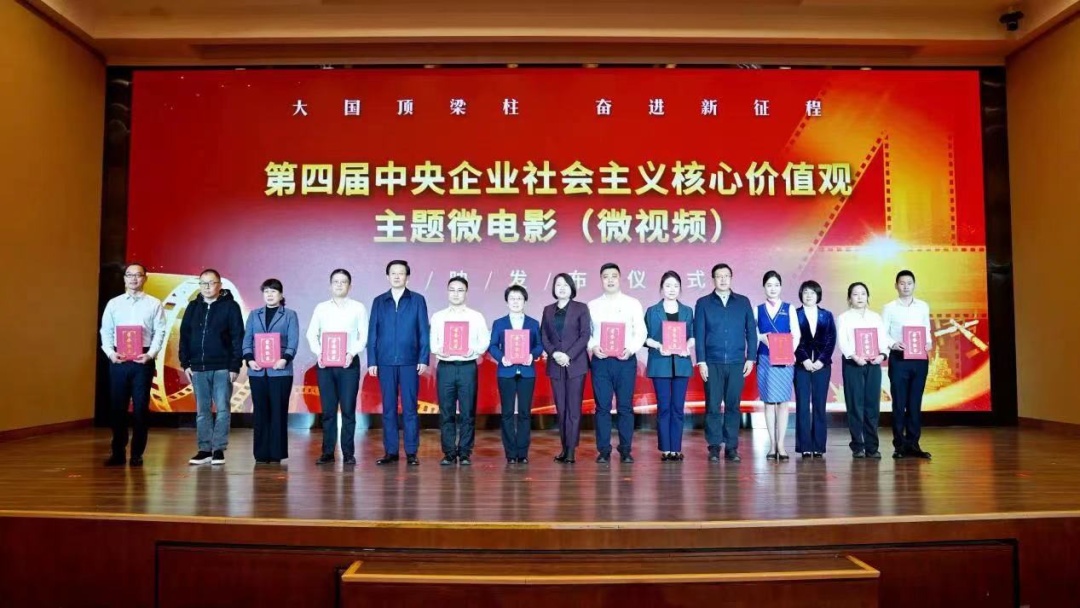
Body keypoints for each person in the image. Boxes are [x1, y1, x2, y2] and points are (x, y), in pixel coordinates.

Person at [99, 263, 166, 467]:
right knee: (117, 408)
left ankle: (137, 453)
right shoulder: (114, 303)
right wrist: (110, 353)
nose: (133, 279)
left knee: (140, 409)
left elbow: (160, 331)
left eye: (138, 275)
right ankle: (118, 452)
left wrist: (150, 354)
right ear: (124, 278)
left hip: (142, 360)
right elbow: (106, 331)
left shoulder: (154, 303)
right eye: (129, 275)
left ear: (145, 278)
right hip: (118, 359)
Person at [368, 260, 430, 466]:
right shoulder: (379, 301)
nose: (396, 276)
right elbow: (373, 332)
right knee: (389, 408)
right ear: (387, 277)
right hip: (385, 362)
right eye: (393, 273)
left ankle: (411, 451)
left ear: (407, 277)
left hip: (410, 362)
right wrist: (372, 360)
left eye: (401, 273)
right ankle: (391, 451)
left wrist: (423, 358)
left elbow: (423, 331)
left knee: (410, 408)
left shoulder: (417, 300)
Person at [180, 269, 244, 466]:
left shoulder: (230, 306)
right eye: (203, 283)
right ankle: (204, 449)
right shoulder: (192, 307)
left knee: (223, 409)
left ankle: (218, 450)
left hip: (222, 367)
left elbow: (237, 337)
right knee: (202, 411)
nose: (207, 287)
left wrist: (235, 365)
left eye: (211, 283)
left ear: (219, 285)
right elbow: (185, 336)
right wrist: (185, 363)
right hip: (198, 368)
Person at [694, 263, 756, 463]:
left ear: (731, 278)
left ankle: (731, 447)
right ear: (713, 279)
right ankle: (713, 447)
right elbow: (699, 334)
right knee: (712, 406)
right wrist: (701, 361)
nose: (723, 279)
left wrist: (751, 357)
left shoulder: (743, 302)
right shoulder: (703, 303)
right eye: (719, 276)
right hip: (712, 362)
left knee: (733, 406)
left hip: (737, 362)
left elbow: (751, 332)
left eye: (726, 275)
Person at [306, 269, 368, 466]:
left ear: (350, 286)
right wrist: (319, 353)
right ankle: (327, 452)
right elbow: (311, 334)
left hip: (349, 364)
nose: (339, 285)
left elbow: (363, 335)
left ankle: (348, 453)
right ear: (330, 285)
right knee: (328, 410)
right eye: (336, 281)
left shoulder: (358, 307)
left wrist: (352, 353)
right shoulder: (321, 308)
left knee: (348, 409)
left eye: (343, 282)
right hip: (325, 365)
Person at [587, 263, 647, 464]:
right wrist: (593, 346)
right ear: (601, 280)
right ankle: (603, 450)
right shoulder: (592, 305)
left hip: (625, 361)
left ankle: (625, 449)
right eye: (606, 276)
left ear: (620, 278)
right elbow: (586, 333)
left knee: (625, 407)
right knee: (602, 407)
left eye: (614, 276)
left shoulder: (633, 303)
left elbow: (641, 331)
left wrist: (631, 348)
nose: (610, 280)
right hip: (601, 362)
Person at [430, 276, 489, 466]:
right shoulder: (438, 316)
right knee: (446, 411)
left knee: (467, 411)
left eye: (460, 290)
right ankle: (448, 452)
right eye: (452, 290)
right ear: (447, 292)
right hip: (446, 367)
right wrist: (439, 349)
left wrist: (474, 350)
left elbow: (485, 340)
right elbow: (433, 342)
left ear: (466, 293)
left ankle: (464, 452)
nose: (456, 294)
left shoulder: (476, 316)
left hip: (467, 367)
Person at [243, 279, 300, 464]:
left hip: (280, 371)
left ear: (281, 295)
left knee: (278, 411)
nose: (269, 294)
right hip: (257, 371)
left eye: (273, 291)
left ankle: (276, 453)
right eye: (266, 291)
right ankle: (261, 453)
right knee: (260, 412)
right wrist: (250, 360)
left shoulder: (290, 315)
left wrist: (284, 359)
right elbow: (247, 340)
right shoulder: (254, 315)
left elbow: (293, 341)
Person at [489, 285, 544, 464]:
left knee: (524, 413)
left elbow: (539, 346)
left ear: (525, 301)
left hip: (527, 372)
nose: (515, 302)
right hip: (506, 371)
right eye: (512, 298)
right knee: (507, 413)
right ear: (507, 302)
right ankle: (510, 453)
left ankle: (522, 452)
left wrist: (532, 355)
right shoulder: (499, 323)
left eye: (519, 298)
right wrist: (501, 358)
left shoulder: (533, 323)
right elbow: (492, 346)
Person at [541, 273, 592, 464]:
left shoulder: (581, 308)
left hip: (575, 364)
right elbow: (544, 335)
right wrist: (555, 353)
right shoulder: (547, 310)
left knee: (573, 409)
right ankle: (564, 447)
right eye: (558, 285)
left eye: (565, 285)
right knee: (561, 408)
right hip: (555, 364)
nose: (561, 288)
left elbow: (585, 335)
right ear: (554, 289)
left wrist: (568, 355)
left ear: (571, 288)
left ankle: (571, 450)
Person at [837, 282, 892, 459]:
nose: (859, 297)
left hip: (873, 364)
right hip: (853, 364)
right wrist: (855, 356)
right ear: (849, 298)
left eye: (863, 294)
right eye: (855, 294)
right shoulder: (844, 317)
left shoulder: (875, 317)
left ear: (868, 297)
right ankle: (857, 446)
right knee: (855, 405)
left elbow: (883, 340)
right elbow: (843, 342)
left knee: (872, 405)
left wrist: (882, 355)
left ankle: (872, 447)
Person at [644, 271, 694, 462]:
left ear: (680, 289)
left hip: (681, 364)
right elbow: (644, 338)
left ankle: (676, 448)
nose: (672, 289)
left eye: (675, 286)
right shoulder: (652, 311)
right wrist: (659, 346)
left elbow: (693, 336)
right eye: (668, 286)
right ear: (661, 288)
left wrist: (687, 347)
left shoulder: (687, 311)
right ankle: (665, 449)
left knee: (678, 408)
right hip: (660, 364)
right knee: (664, 407)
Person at [882, 270, 933, 460]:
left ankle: (913, 444)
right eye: (902, 283)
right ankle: (899, 445)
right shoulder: (889, 307)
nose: (906, 286)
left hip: (920, 358)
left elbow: (926, 328)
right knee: (899, 402)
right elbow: (883, 332)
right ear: (896, 285)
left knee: (915, 402)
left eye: (909, 283)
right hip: (899, 358)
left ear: (914, 285)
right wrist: (892, 344)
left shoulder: (923, 306)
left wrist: (928, 342)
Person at [754, 271, 801, 461]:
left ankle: (781, 444)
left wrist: (789, 351)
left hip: (784, 359)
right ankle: (772, 444)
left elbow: (796, 333)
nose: (773, 289)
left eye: (776, 285)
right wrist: (762, 338)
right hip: (765, 358)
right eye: (769, 285)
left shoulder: (789, 308)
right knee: (768, 402)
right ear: (764, 287)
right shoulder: (758, 309)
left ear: (781, 287)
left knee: (783, 402)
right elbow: (752, 333)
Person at [793, 280, 836, 458]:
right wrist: (804, 359)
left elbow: (831, 339)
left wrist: (821, 361)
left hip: (822, 366)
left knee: (819, 405)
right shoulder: (794, 314)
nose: (809, 296)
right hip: (801, 366)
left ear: (818, 295)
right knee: (802, 405)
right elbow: (793, 339)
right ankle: (804, 446)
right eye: (805, 292)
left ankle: (818, 446)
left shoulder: (827, 315)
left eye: (812, 292)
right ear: (801, 295)